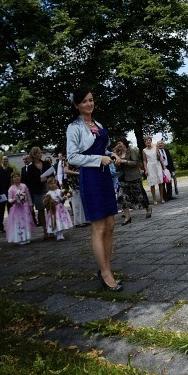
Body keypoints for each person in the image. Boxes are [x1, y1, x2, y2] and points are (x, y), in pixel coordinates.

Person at [66, 88, 123, 291]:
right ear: (77, 105)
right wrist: (99, 159)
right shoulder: (74, 128)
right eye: (84, 101)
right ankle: (106, 273)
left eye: (91, 100)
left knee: (110, 225)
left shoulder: (98, 125)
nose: (89, 104)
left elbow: (103, 148)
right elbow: (72, 157)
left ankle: (105, 267)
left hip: (105, 177)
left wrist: (111, 154)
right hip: (90, 178)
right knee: (99, 227)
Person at [114, 140, 152, 225]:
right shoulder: (118, 154)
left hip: (134, 177)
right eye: (117, 144)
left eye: (119, 143)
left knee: (139, 197)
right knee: (121, 197)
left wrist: (124, 161)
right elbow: (117, 169)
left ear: (124, 143)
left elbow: (135, 163)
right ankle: (127, 217)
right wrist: (116, 161)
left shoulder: (132, 151)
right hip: (123, 179)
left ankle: (148, 208)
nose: (118, 145)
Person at [22, 147, 51, 230]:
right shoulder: (30, 168)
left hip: (48, 189)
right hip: (38, 191)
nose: (40, 154)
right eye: (39, 153)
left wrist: (49, 180)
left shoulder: (46, 164)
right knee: (41, 210)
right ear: (34, 155)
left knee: (50, 209)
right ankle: (45, 230)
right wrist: (39, 179)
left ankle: (52, 229)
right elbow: (30, 181)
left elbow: (51, 174)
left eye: (41, 152)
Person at [6, 172, 34, 245]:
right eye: (14, 177)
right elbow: (9, 199)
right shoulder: (11, 189)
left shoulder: (24, 186)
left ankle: (27, 236)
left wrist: (30, 205)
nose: (17, 178)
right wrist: (14, 200)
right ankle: (20, 237)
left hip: (25, 207)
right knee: (18, 223)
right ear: (12, 179)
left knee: (26, 221)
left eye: (18, 176)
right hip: (17, 208)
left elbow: (28, 196)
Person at [141, 135, 166, 205]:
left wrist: (163, 166)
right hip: (150, 166)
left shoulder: (155, 147)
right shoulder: (144, 150)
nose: (148, 141)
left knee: (160, 182)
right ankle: (154, 199)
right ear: (145, 142)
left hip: (157, 165)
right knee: (152, 183)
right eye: (146, 141)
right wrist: (146, 169)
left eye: (149, 140)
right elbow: (144, 161)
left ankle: (162, 198)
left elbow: (160, 157)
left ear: (151, 141)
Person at [0, 155, 13, 233]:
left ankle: (11, 224)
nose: (5, 161)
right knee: (1, 210)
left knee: (10, 209)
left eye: (7, 159)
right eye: (4, 159)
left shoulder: (10, 169)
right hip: (1, 193)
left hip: (9, 192)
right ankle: (0, 227)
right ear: (1, 160)